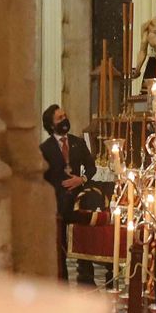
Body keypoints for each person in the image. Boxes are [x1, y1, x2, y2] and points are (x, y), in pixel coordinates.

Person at [40, 104, 98, 284]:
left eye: (65, 116)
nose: (64, 120)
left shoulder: (77, 142)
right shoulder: (45, 149)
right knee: (61, 245)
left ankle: (86, 277)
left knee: (85, 238)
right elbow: (42, 177)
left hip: (79, 201)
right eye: (59, 118)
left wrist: (81, 180)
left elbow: (91, 167)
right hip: (58, 204)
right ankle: (61, 281)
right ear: (51, 125)